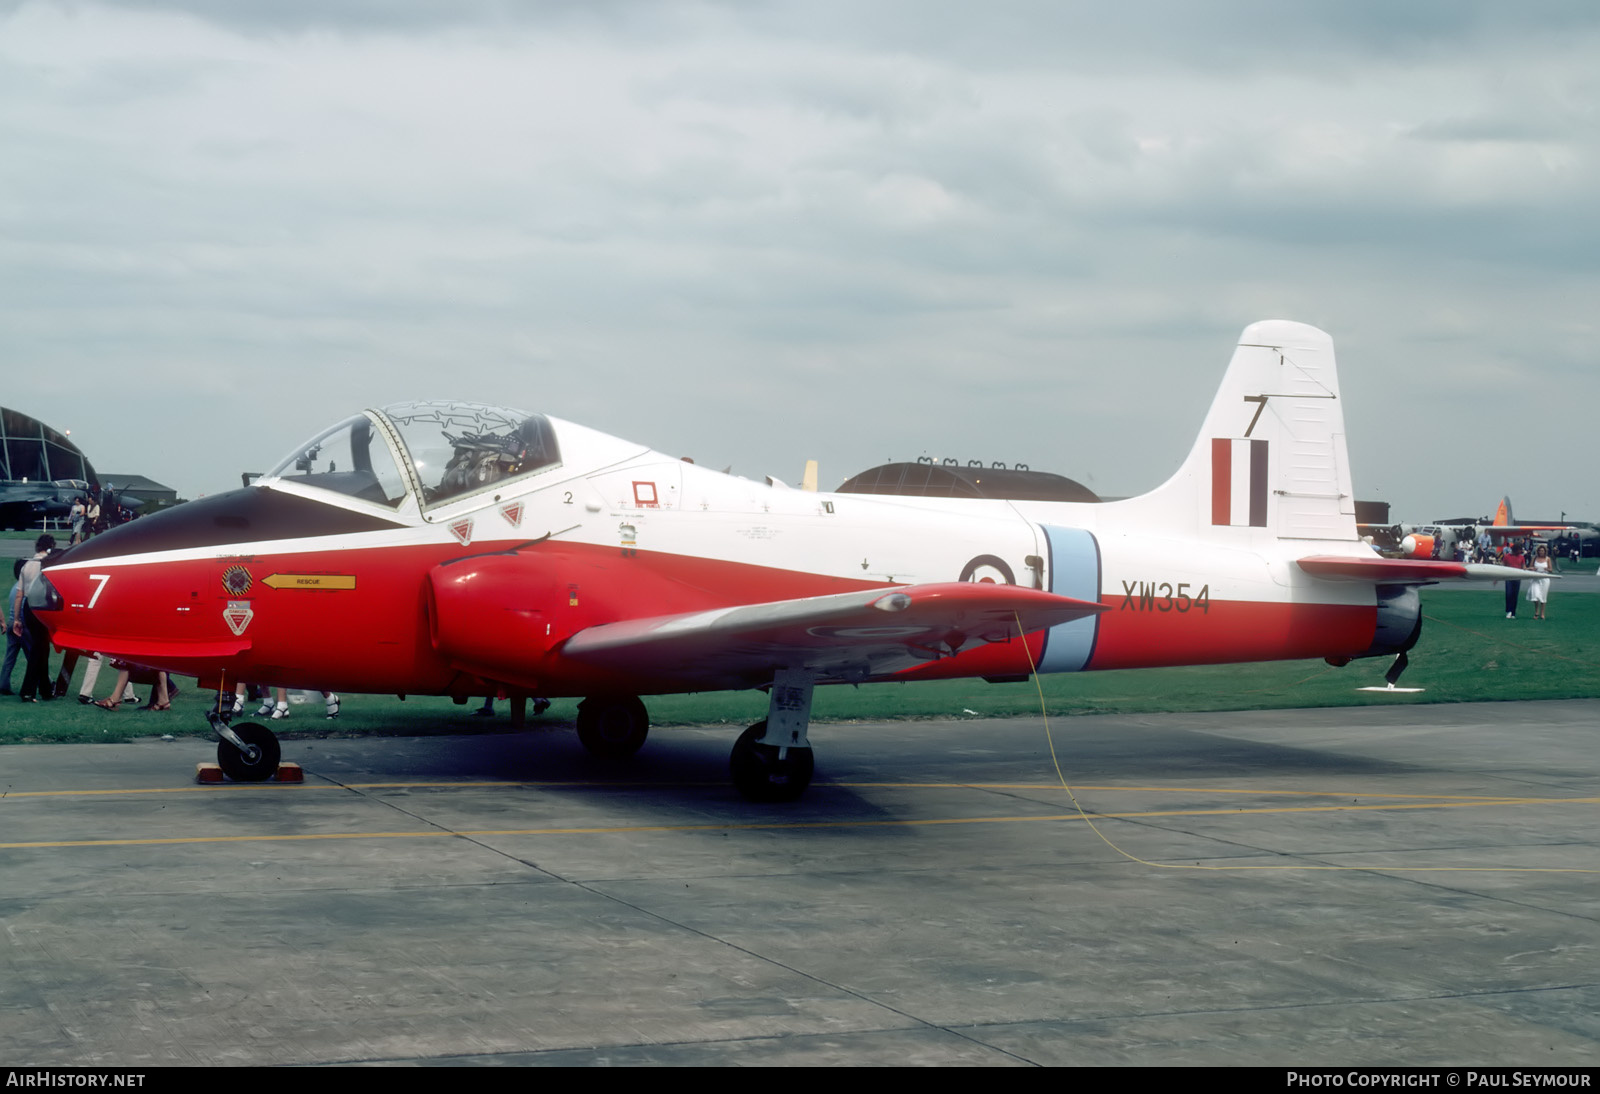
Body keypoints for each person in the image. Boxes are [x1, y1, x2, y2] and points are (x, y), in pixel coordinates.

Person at [12, 534, 56, 702]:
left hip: (28, 607)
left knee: (42, 648)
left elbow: (19, 594)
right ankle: (28, 690)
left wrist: (17, 618)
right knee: (39, 649)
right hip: (43, 607)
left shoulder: (27, 565)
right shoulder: (48, 564)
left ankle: (45, 689)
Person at [0, 558, 29, 695]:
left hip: (11, 623)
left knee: (10, 657)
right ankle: (44, 681)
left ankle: (3, 684)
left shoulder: (14, 588)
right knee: (33, 656)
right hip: (21, 625)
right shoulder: (24, 590)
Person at [1527, 544, 1554, 621]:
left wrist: (1547, 569)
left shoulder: (1547, 559)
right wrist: (1533, 568)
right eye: (1540, 550)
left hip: (1544, 578)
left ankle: (1542, 613)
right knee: (1535, 595)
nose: (1541, 552)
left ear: (1545, 551)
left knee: (1543, 596)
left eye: (1542, 551)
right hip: (1536, 578)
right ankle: (1536, 612)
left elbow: (1551, 570)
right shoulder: (1534, 558)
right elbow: (1530, 567)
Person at [1501, 541, 1525, 619]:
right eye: (1519, 549)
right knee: (1508, 594)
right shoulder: (1507, 556)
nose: (1520, 551)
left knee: (1515, 595)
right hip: (1509, 577)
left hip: (1517, 578)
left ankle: (1513, 612)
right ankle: (1509, 611)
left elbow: (1523, 566)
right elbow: (1503, 566)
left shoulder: (1521, 557)